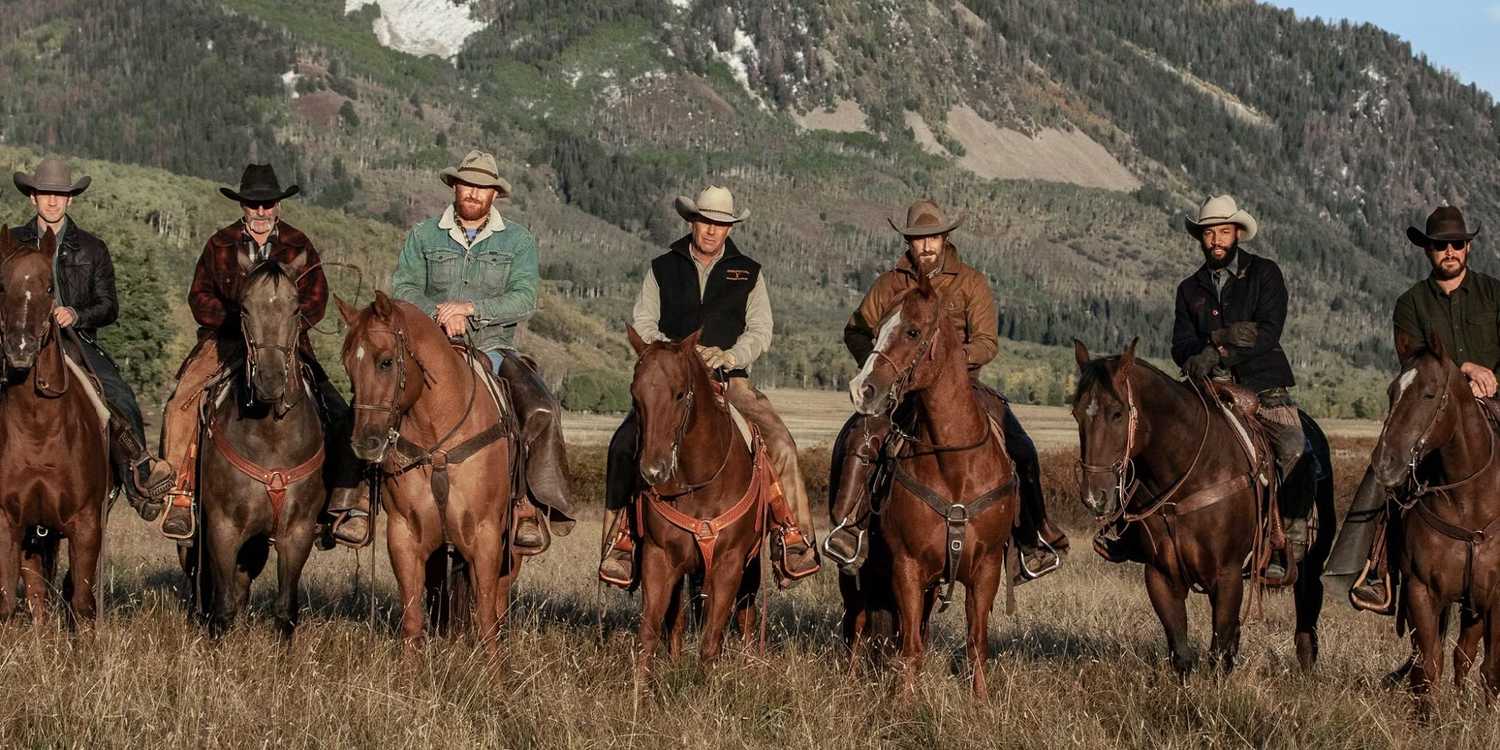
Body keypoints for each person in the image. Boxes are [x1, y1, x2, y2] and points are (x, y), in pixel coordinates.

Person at [825, 198, 1067, 581]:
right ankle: (849, 528)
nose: (926, 246)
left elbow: (988, 342)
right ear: (908, 242)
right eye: (918, 239)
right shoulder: (890, 284)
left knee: (1021, 447)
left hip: (964, 387)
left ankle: (1034, 539)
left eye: (933, 237)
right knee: (861, 436)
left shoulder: (970, 282)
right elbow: (856, 330)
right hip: (901, 389)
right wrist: (879, 367)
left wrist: (949, 363)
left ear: (946, 237)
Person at [598, 185, 819, 587]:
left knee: (780, 443)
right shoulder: (663, 266)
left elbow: (761, 329)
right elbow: (643, 321)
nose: (712, 231)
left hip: (728, 379)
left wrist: (731, 356)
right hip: (671, 381)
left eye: (721, 224)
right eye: (706, 222)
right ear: (692, 221)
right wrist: (676, 353)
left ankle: (792, 535)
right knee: (623, 445)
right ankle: (621, 541)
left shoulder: (748, 271)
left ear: (729, 228)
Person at [158, 164, 362, 540]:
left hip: (287, 344)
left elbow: (316, 298)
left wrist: (283, 326)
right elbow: (198, 296)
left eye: (267, 204)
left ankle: (343, 504)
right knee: (183, 400)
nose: (261, 212)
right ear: (243, 205)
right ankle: (180, 493)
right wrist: (240, 320)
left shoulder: (299, 245)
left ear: (277, 206)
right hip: (226, 340)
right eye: (254, 204)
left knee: (337, 409)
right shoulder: (220, 244)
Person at [389, 150, 576, 553]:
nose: (473, 192)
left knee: (542, 409)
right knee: (373, 398)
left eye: (482, 187)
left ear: (494, 195)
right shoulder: (423, 235)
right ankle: (353, 503)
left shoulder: (518, 240)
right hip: (428, 349)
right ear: (455, 186)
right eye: (467, 184)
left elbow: (524, 298)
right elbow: (403, 290)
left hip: (493, 348)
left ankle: (528, 505)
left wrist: (472, 311)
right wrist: (438, 313)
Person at [1328, 205, 1493, 611]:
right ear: (1427, 250)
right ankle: (1373, 567)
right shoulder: (1410, 303)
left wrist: (1490, 376)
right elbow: (1414, 361)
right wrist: (1462, 370)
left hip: (1493, 400)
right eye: (1440, 245)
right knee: (1386, 464)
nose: (1449, 251)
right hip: (1432, 406)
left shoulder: (1495, 294)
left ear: (1468, 247)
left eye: (1456, 244)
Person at [9, 158, 175, 516]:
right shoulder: (11, 245)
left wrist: (76, 314)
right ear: (32, 198)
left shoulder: (92, 247)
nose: (52, 201)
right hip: (21, 337)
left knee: (118, 396)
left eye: (60, 194)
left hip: (76, 340)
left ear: (71, 200)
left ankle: (139, 480)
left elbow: (109, 305)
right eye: (45, 194)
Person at [1168, 195, 1309, 579]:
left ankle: (1288, 540)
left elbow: (1266, 332)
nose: (1216, 239)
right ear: (1200, 237)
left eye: (1223, 231)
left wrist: (1215, 348)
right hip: (1209, 391)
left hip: (1265, 386)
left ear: (1237, 234)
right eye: (1209, 232)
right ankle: (1148, 530)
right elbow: (1179, 345)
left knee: (1294, 448)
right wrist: (1218, 344)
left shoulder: (1264, 274)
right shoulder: (1189, 289)